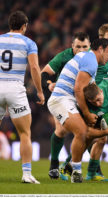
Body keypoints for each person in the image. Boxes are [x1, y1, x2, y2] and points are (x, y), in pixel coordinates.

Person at [52, 24, 108, 182]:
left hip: (68, 99)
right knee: (82, 132)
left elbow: (84, 89)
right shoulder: (91, 60)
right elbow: (78, 89)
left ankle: (71, 168)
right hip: (62, 98)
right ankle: (74, 170)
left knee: (87, 133)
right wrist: (87, 114)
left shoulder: (88, 59)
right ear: (100, 49)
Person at [0, 11, 45, 184]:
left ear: (10, 24)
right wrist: (40, 91)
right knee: (25, 133)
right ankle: (26, 174)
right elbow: (34, 67)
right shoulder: (29, 43)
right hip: (15, 90)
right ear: (24, 26)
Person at [41, 32, 91, 179]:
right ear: (72, 46)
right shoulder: (64, 56)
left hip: (82, 98)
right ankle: (55, 164)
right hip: (63, 97)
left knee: (89, 131)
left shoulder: (92, 59)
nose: (81, 50)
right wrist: (49, 85)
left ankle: (86, 167)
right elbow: (44, 73)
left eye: (84, 47)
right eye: (78, 47)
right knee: (62, 130)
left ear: (90, 47)